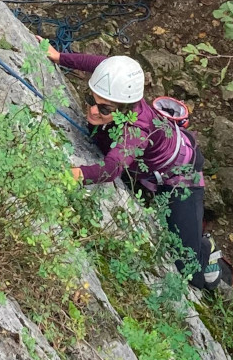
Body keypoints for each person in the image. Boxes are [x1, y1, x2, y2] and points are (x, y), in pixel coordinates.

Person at [46, 47, 223, 291]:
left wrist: (75, 174)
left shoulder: (135, 132)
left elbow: (112, 169)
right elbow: (102, 64)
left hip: (182, 175)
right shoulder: (120, 92)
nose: (93, 110)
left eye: (104, 109)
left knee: (190, 271)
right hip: (152, 167)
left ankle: (207, 248)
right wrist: (59, 56)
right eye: (90, 99)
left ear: (124, 108)